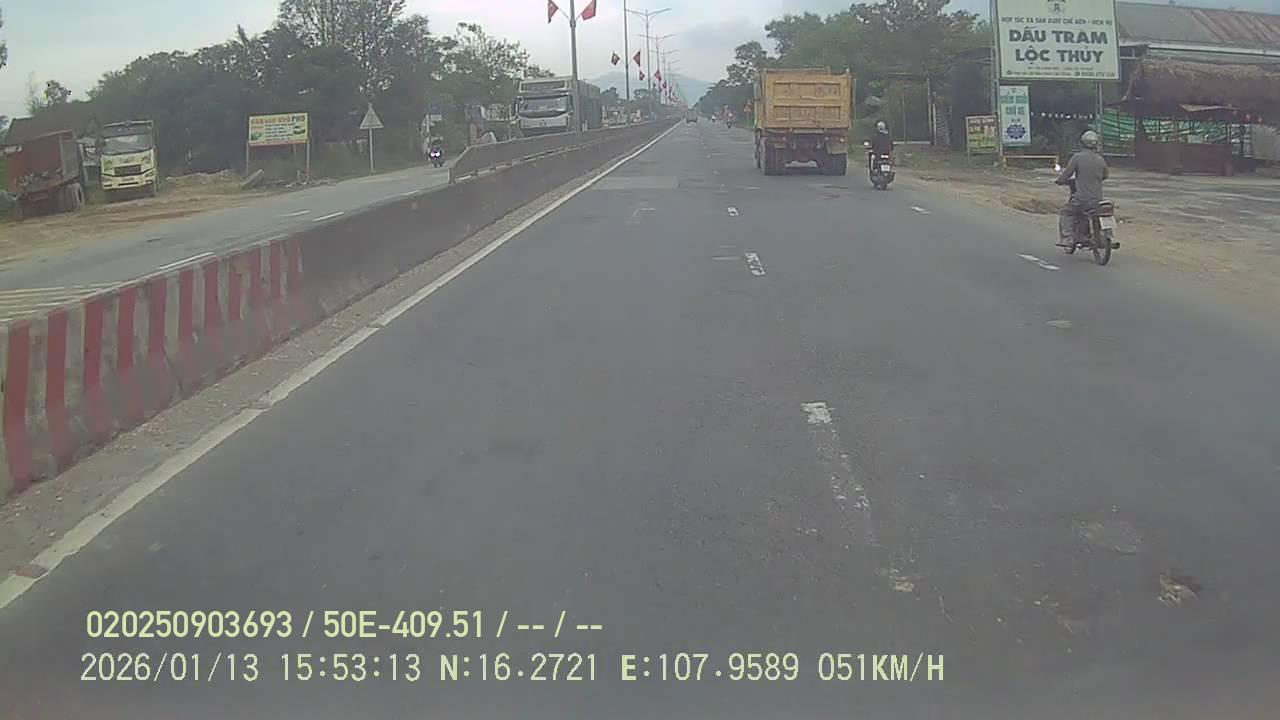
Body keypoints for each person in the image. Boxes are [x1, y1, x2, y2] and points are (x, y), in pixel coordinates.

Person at [1055, 130, 1109, 248]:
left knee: (1067, 213)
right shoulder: (1100, 159)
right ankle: (1096, 236)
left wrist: (1060, 181)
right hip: (1097, 199)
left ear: (1081, 143)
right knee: (1092, 212)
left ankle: (1068, 238)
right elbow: (1105, 175)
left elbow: (1067, 174)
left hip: (1081, 198)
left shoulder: (1077, 157)